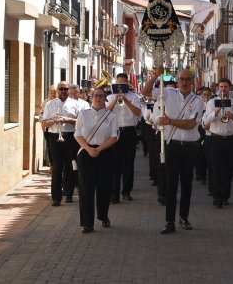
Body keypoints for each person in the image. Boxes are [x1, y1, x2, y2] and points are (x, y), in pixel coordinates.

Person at [142, 68, 204, 234]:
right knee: (171, 184)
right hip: (172, 145)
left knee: (187, 184)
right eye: (182, 79)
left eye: (188, 79)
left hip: (190, 147)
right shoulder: (167, 93)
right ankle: (169, 221)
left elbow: (191, 124)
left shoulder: (198, 100)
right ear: (177, 81)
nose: (184, 82)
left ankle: (183, 217)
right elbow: (145, 91)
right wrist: (156, 76)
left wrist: (169, 121)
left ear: (192, 81)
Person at [74, 88, 118, 233]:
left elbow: (114, 137)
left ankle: (103, 216)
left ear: (105, 98)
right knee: (86, 189)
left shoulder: (111, 116)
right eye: (96, 95)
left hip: (105, 152)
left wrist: (98, 150)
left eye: (101, 96)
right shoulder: (83, 114)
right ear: (91, 97)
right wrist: (89, 149)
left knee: (104, 187)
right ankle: (87, 223)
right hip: (86, 153)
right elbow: (78, 134)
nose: (98, 98)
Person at [202, 78, 233, 208]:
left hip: (231, 139)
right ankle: (217, 195)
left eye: (226, 87)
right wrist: (217, 110)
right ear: (218, 88)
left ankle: (225, 195)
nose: (223, 89)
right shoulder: (212, 102)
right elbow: (206, 120)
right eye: (221, 87)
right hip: (215, 139)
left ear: (229, 88)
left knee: (228, 169)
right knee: (216, 168)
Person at [41, 81, 82, 206]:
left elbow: (80, 122)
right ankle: (56, 197)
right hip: (55, 137)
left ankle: (69, 194)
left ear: (69, 90)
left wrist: (67, 120)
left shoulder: (75, 104)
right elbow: (44, 123)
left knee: (70, 167)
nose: (64, 91)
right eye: (61, 89)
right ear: (58, 90)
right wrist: (53, 121)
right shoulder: (50, 104)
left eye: (66, 89)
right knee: (57, 169)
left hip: (70, 137)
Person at [107, 73, 141, 203]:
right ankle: (114, 193)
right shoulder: (110, 97)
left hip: (129, 132)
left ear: (127, 84)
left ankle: (126, 191)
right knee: (115, 163)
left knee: (129, 163)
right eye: (118, 84)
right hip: (114, 132)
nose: (120, 86)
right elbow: (105, 112)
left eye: (123, 84)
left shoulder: (134, 97)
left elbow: (138, 113)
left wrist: (126, 100)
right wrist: (115, 100)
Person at [39, 85, 57, 169]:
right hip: (47, 128)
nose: (53, 94)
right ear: (49, 93)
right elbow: (41, 115)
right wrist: (43, 124)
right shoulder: (45, 103)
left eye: (55, 93)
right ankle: (52, 165)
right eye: (52, 93)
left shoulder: (59, 102)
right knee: (50, 146)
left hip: (57, 128)